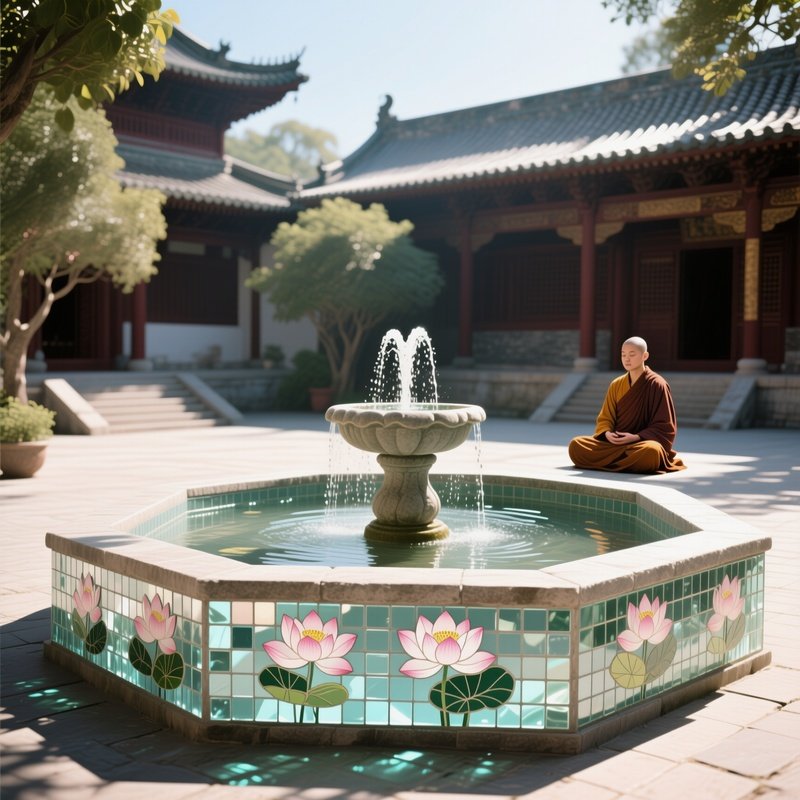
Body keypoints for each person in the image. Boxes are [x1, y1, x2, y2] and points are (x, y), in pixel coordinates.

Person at [568, 337, 686, 474]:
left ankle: (611, 461)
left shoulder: (657, 384)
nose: (627, 359)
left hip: (640, 444)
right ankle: (627, 463)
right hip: (615, 444)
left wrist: (636, 437)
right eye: (623, 355)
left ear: (645, 356)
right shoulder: (616, 384)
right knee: (576, 445)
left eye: (632, 354)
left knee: (651, 451)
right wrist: (607, 433)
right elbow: (605, 418)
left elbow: (664, 426)